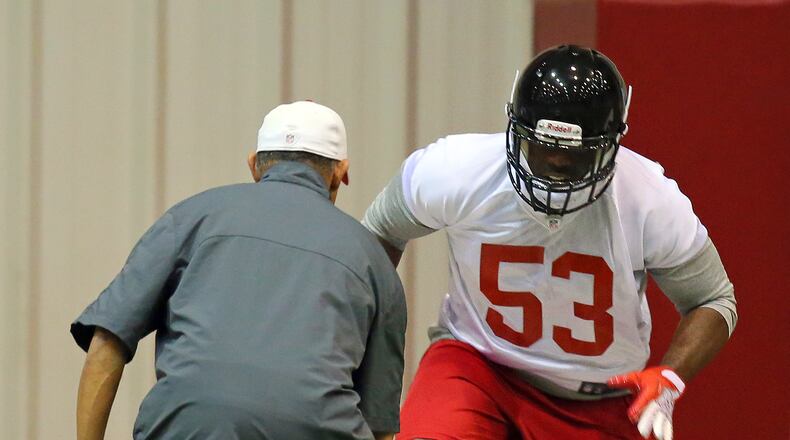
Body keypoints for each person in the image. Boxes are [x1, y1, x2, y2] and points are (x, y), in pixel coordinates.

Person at [362, 45, 737, 440]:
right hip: (478, 366)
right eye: (543, 145)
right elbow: (376, 239)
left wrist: (671, 375)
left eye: (574, 151)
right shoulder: (456, 171)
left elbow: (713, 300)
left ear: (611, 144)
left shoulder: (649, 198)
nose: (556, 162)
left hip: (599, 396)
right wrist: (362, 338)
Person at [71, 101, 406, 440]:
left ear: (254, 166)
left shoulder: (190, 219)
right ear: (341, 172)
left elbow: (106, 343)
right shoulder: (373, 260)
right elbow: (379, 423)